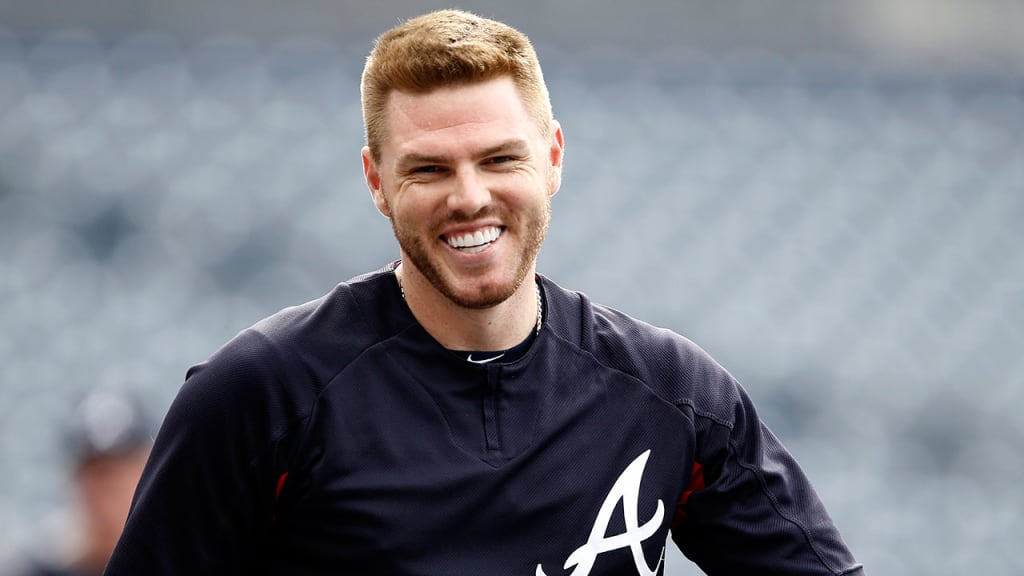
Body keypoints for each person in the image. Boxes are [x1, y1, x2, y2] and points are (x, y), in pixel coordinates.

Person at [105, 9, 863, 576]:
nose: (470, 198)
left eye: (500, 158)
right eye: (429, 169)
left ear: (554, 157)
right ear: (376, 181)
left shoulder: (673, 397)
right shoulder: (262, 396)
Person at [9, 389, 150, 576]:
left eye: (120, 473)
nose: (109, 493)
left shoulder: (181, 560)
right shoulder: (40, 568)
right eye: (97, 476)